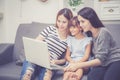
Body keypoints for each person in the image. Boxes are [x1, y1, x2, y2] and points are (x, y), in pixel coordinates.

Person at [64, 7, 120, 80]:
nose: (80, 25)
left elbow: (100, 59)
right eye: (79, 22)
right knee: (91, 77)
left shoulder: (103, 32)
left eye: (83, 21)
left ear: (91, 19)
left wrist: (78, 65)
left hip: (114, 60)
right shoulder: (89, 34)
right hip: (103, 64)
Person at [20, 8, 73, 80]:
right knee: (27, 74)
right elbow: (35, 43)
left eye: (64, 22)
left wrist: (56, 61)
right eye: (58, 21)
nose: (60, 24)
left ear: (69, 22)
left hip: (50, 64)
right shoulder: (50, 29)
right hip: (36, 58)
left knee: (46, 77)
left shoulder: (69, 39)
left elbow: (65, 59)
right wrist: (44, 53)